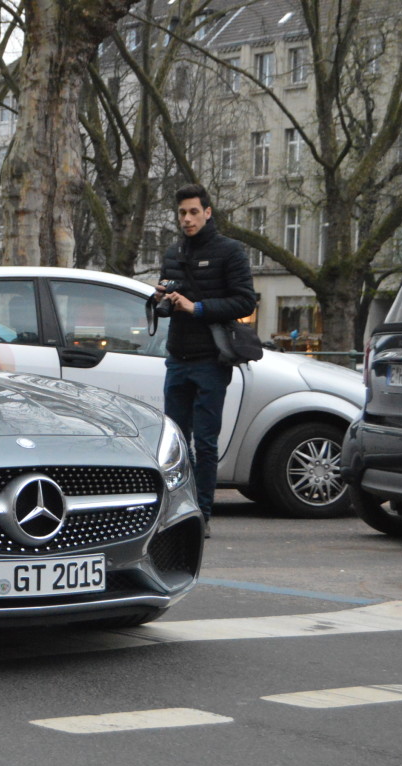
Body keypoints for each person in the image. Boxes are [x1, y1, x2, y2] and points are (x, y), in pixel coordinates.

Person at [157, 184, 257, 538]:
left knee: (205, 443)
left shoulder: (229, 251)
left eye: (194, 212)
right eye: (182, 213)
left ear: (208, 212)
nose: (187, 219)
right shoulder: (174, 252)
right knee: (176, 444)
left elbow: (245, 301)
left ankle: (201, 514)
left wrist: (197, 307)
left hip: (211, 360)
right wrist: (161, 301)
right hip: (177, 358)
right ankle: (175, 511)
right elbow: (168, 296)